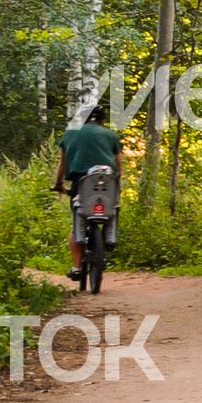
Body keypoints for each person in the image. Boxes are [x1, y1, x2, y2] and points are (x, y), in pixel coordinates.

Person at [55, 99, 123, 286]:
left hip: (81, 182)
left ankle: (77, 267)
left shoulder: (70, 134)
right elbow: (119, 167)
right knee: (113, 207)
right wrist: (117, 184)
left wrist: (58, 184)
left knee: (78, 216)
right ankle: (110, 239)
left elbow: (63, 163)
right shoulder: (111, 135)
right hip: (108, 181)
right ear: (102, 120)